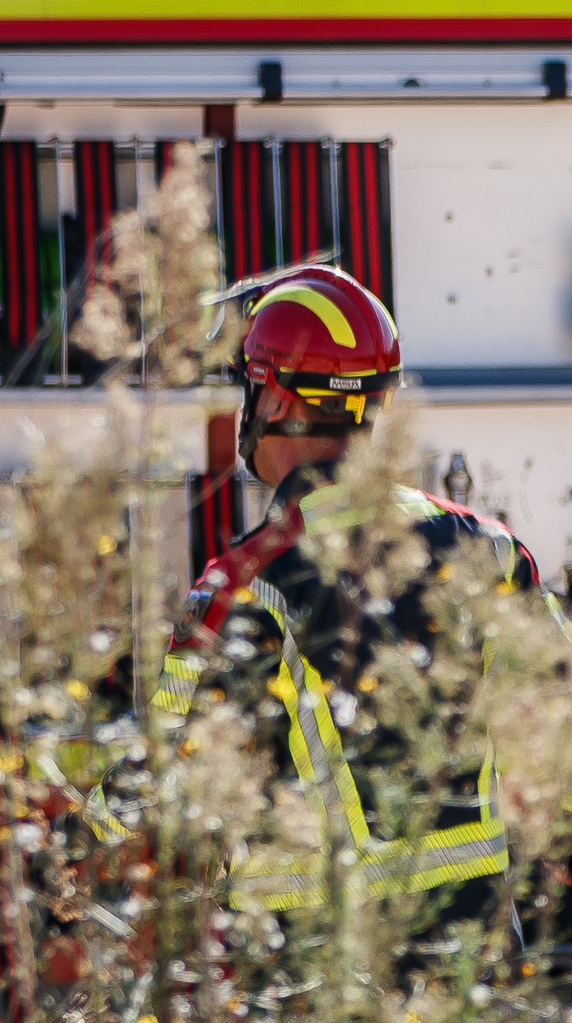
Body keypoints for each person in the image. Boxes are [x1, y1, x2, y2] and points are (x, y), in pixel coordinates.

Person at [162, 261, 537, 912]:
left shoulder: (246, 581)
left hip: (315, 971)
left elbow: (164, 766)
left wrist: (79, 843)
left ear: (275, 398)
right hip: (469, 963)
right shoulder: (489, 546)